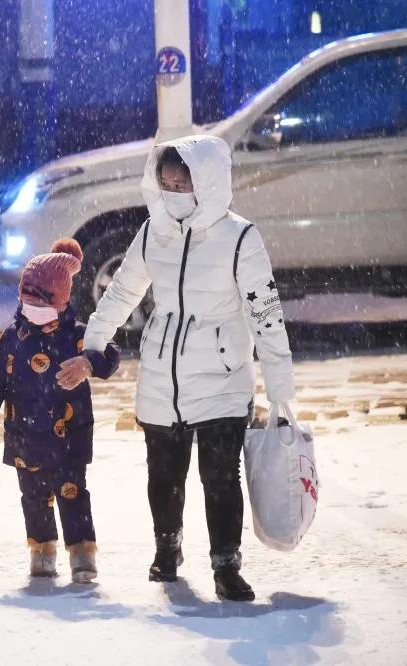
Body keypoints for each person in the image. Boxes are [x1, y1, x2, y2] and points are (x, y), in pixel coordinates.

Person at [56, 134, 296, 602]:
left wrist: (279, 384)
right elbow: (123, 292)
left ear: (205, 183)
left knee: (220, 476)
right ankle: (168, 549)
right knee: (163, 475)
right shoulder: (153, 231)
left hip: (223, 377)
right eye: (164, 182)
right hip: (162, 376)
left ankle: (226, 566)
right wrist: (92, 345)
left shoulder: (240, 237)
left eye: (180, 183)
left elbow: (265, 313)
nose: (171, 191)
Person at [0, 239, 120, 582]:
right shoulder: (10, 341)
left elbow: (111, 354)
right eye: (27, 297)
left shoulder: (78, 336)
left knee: (73, 494)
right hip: (25, 439)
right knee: (33, 498)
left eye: (41, 299)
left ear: (61, 300)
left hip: (70, 437)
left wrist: (88, 363)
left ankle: (82, 553)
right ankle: (41, 550)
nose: (31, 306)